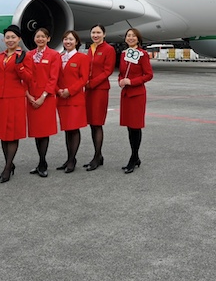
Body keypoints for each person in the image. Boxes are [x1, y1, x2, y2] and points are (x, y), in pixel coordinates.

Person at [16, 28, 61, 177]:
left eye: (43, 37)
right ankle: (41, 162)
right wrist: (27, 94)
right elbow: (25, 76)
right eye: (38, 36)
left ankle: (43, 162)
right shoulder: (29, 54)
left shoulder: (54, 55)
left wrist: (43, 96)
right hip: (31, 96)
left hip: (46, 97)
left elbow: (53, 78)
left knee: (44, 131)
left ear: (48, 39)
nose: (40, 39)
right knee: (36, 131)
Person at [0, 25, 28, 182]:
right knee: (2, 133)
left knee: (12, 133)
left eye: (13, 37)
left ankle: (7, 168)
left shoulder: (24, 56)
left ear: (19, 39)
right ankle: (9, 164)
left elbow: (29, 78)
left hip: (15, 98)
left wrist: (20, 65)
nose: (10, 40)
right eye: (7, 37)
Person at [118, 28, 153, 174]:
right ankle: (135, 156)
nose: (130, 38)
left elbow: (148, 75)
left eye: (133, 36)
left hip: (137, 94)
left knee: (135, 126)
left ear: (138, 39)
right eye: (128, 36)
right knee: (129, 127)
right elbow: (121, 73)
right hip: (126, 94)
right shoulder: (124, 54)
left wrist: (131, 81)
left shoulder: (142, 54)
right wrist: (120, 80)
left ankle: (133, 157)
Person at [84, 24, 116, 171]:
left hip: (100, 89)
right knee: (91, 123)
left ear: (104, 34)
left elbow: (108, 71)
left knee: (97, 123)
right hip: (89, 89)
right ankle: (99, 155)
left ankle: (96, 157)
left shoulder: (108, 50)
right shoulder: (91, 49)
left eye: (98, 32)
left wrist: (92, 83)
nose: (95, 35)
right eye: (93, 32)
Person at [55, 30, 88, 173]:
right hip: (61, 98)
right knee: (67, 129)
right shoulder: (59, 57)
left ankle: (72, 159)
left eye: (71, 39)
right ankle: (69, 158)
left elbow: (84, 78)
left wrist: (70, 90)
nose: (68, 42)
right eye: (65, 39)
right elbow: (54, 77)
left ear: (76, 42)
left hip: (75, 98)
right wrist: (58, 90)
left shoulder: (82, 57)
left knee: (74, 129)